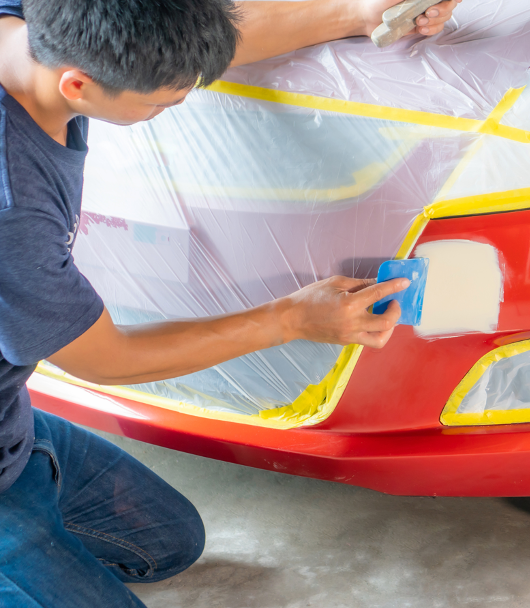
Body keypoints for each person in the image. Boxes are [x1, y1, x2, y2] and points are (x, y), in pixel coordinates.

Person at [0, 0, 459, 605]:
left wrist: (359, 12)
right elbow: (104, 359)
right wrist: (291, 318)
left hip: (15, 420)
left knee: (168, 542)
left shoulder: (42, 26)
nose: (180, 103)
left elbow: (177, 49)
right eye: (162, 102)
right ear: (78, 84)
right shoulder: (14, 208)